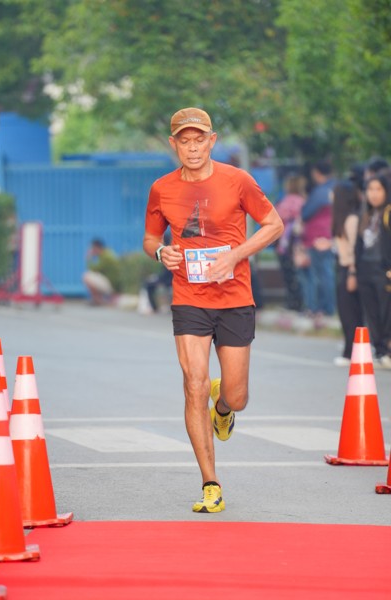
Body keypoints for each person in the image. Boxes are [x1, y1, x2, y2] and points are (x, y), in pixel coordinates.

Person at [143, 107, 283, 513]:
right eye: (184, 141)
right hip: (189, 298)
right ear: (174, 145)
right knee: (194, 384)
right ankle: (210, 483)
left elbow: (274, 224)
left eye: (199, 139)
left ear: (212, 141)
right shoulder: (161, 189)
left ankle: (223, 406)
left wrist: (235, 255)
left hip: (235, 297)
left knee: (237, 396)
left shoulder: (237, 180)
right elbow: (150, 238)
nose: (192, 148)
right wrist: (161, 253)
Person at [356, 175, 391, 367]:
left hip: (383, 270)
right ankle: (379, 350)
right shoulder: (366, 214)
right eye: (370, 190)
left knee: (386, 311)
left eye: (378, 189)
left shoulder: (388, 212)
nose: (374, 194)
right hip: (365, 269)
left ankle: (386, 348)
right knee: (372, 312)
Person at [331, 181, 364, 366]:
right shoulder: (342, 217)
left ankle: (351, 352)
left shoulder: (351, 219)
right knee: (345, 313)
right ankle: (349, 349)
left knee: (351, 314)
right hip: (342, 267)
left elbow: (354, 249)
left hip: (350, 269)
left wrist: (352, 272)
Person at [300, 160, 336, 324]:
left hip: (317, 237)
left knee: (320, 275)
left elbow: (306, 212)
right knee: (328, 272)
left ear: (316, 173)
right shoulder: (335, 187)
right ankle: (329, 307)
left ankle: (323, 307)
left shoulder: (320, 191)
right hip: (329, 235)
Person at [274, 174, 306, 312]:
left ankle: (292, 302)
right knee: (298, 275)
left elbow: (276, 218)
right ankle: (300, 302)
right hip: (299, 243)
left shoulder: (285, 201)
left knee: (289, 275)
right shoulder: (303, 201)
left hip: (285, 243)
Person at [82, 238, 122, 305]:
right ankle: (101, 299)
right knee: (93, 276)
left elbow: (94, 269)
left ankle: (98, 300)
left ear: (96, 248)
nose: (91, 250)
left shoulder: (106, 257)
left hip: (113, 286)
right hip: (114, 284)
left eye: (92, 248)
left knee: (87, 276)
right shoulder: (107, 254)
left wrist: (89, 259)